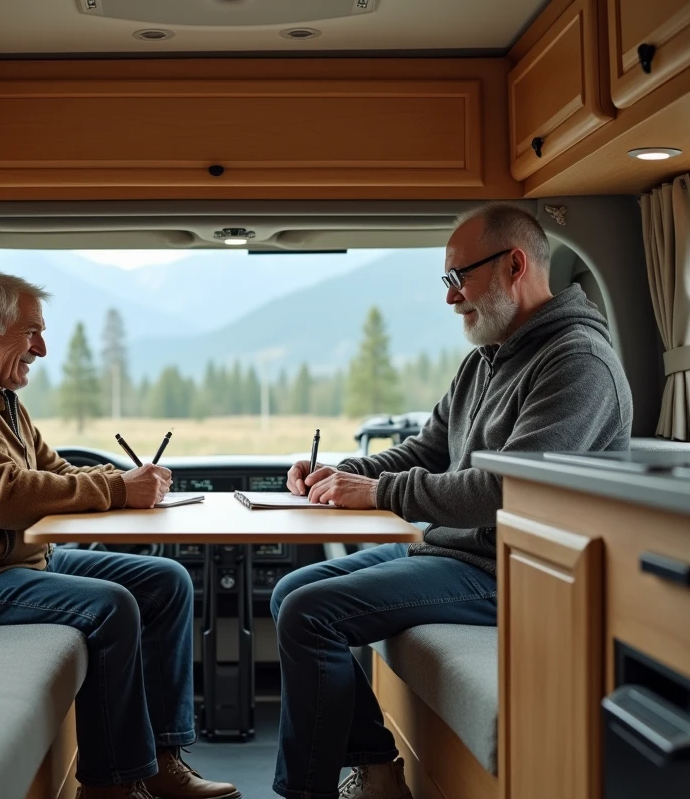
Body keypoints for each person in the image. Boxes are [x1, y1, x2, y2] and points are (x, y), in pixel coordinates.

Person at [271, 204, 633, 799]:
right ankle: (380, 770)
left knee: (310, 613)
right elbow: (425, 452)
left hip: (513, 574)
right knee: (292, 593)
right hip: (454, 558)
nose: (450, 298)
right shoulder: (484, 363)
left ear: (514, 265)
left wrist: (379, 493)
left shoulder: (578, 364)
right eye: (448, 281)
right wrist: (342, 474)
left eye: (457, 277)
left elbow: (506, 492)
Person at [0, 272, 239, 799]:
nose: (41, 349)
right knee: (112, 607)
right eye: (31, 333)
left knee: (166, 582)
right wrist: (116, 489)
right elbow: (2, 497)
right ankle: (111, 785)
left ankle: (160, 761)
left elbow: (55, 469)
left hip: (12, 563)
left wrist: (126, 486)